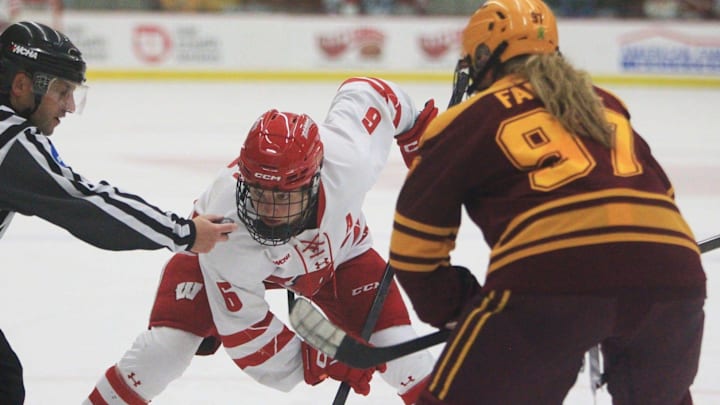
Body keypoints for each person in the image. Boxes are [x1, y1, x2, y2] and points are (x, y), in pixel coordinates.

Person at [388, 1, 707, 404]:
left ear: (483, 58)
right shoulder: (605, 104)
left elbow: (414, 248)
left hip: (552, 276)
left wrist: (458, 306)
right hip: (675, 277)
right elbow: (660, 200)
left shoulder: (469, 118)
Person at [85, 76, 438, 404]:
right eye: (258, 192)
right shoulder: (223, 229)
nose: (268, 209)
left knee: (401, 354)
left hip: (340, 256)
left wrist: (416, 132)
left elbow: (369, 92)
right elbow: (246, 334)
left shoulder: (348, 160)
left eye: (284, 197)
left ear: (314, 180)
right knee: (164, 351)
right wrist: (321, 358)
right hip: (214, 258)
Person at [0, 21, 237, 405]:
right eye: (62, 91)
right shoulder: (10, 144)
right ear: (22, 86)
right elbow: (88, 204)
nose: (69, 106)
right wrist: (184, 233)